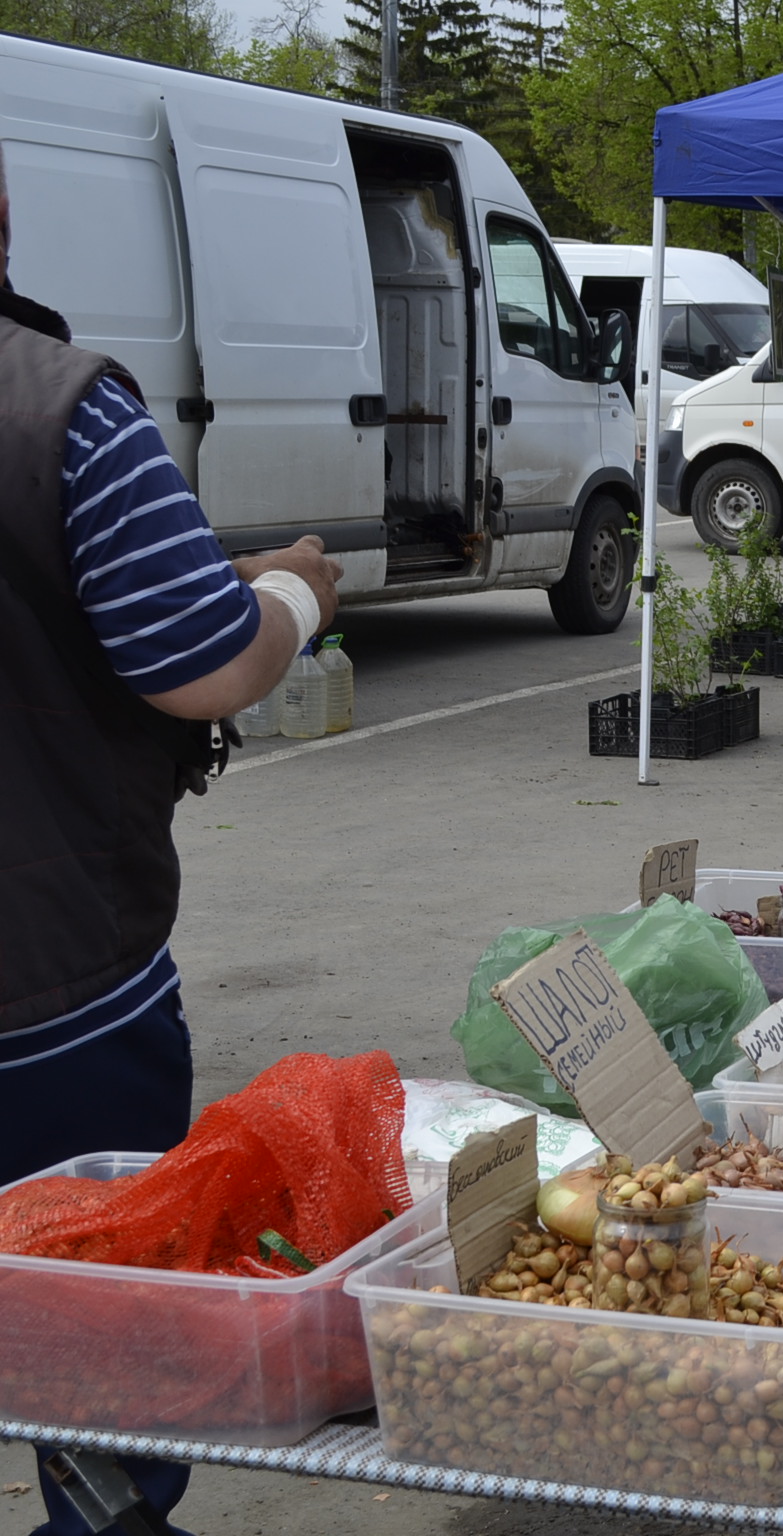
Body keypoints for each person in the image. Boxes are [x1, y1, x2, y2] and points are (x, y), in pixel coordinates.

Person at [0, 148, 343, 1536]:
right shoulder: (58, 412)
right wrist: (292, 600)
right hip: (54, 992)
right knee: (105, 1327)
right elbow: (200, 664)